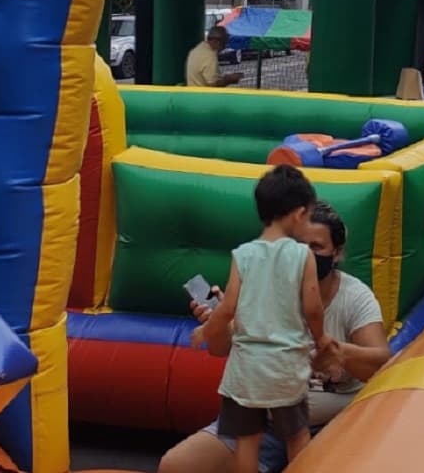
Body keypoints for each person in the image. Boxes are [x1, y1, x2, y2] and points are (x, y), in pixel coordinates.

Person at [160, 202, 392, 473]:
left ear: (337, 253)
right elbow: (221, 349)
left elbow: (382, 363)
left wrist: (338, 351)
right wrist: (220, 322)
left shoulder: (353, 297)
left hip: (330, 428)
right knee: (175, 466)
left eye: (315, 248)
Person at [192, 165, 333, 473]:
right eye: (308, 216)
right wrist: (321, 338)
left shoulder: (242, 255)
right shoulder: (301, 255)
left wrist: (207, 329)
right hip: (284, 367)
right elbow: (312, 307)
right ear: (297, 214)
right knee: (297, 437)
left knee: (247, 442)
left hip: (246, 371)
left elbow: (227, 308)